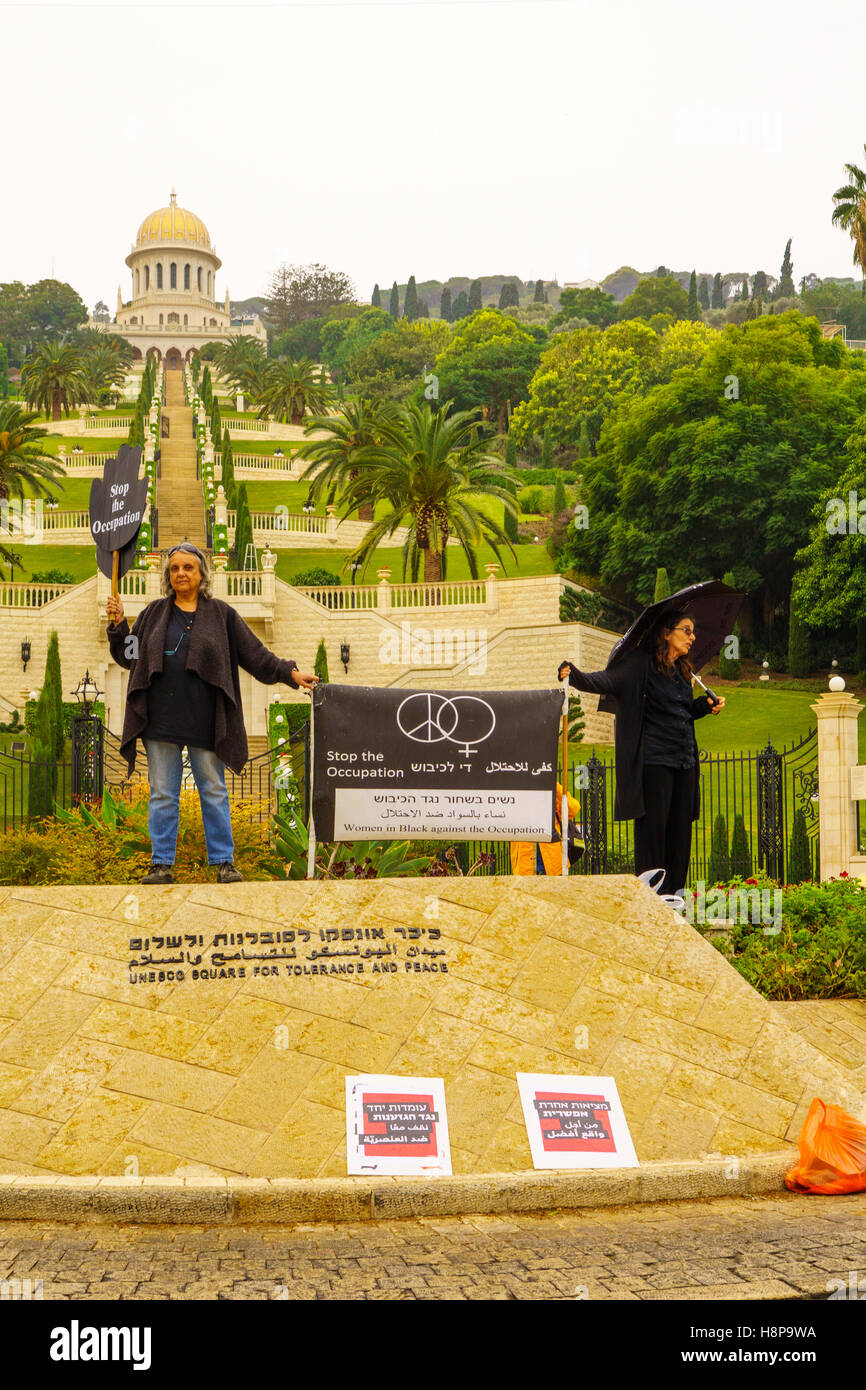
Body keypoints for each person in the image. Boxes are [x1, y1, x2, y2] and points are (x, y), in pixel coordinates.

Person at [106, 541, 317, 885]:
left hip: (206, 721)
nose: (181, 574)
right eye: (174, 569)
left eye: (188, 567)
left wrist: (289, 673)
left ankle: (223, 862)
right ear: (168, 576)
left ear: (201, 573)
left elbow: (255, 654)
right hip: (160, 722)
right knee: (162, 794)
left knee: (214, 790)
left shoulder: (221, 615)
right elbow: (130, 656)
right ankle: (161, 865)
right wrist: (118, 625)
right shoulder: (154, 614)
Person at [558, 611, 725, 897]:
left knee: (680, 833)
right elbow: (606, 681)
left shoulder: (684, 672)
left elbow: (681, 711)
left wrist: (704, 706)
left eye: (693, 631)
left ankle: (676, 897)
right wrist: (574, 674)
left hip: (684, 762)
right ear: (666, 633)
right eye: (686, 630)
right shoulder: (639, 665)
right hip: (653, 763)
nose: (692, 637)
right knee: (653, 835)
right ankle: (652, 898)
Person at [510, 782, 582, 876]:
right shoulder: (514, 788)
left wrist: (555, 787)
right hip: (525, 862)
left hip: (552, 860)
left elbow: (573, 809)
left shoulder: (551, 786)